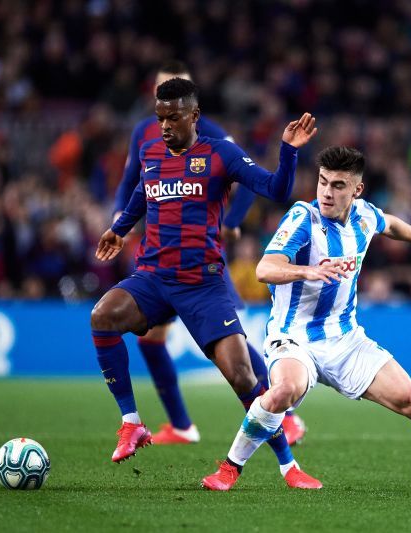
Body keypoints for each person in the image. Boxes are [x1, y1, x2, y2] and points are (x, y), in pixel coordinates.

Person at [201, 146, 411, 493]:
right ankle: (229, 469)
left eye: (338, 185)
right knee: (282, 392)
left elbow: (390, 223)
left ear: (357, 190)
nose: (326, 191)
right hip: (294, 338)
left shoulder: (365, 215)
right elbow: (265, 268)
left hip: (345, 339)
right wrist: (309, 270)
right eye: (323, 182)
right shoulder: (302, 219)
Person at [92, 77, 321, 489]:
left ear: (194, 116)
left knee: (242, 376)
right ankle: (131, 423)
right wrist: (120, 229)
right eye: (160, 117)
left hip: (203, 285)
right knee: (102, 316)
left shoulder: (220, 154)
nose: (164, 126)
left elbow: (277, 188)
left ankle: (289, 467)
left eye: (173, 117)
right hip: (154, 278)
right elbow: (143, 195)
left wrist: (287, 152)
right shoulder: (150, 153)